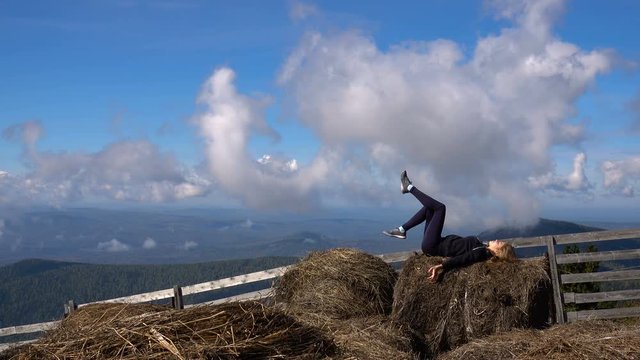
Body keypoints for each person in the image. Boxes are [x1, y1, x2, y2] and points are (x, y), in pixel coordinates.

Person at [383, 170, 517, 281]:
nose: (498, 240)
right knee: (430, 208)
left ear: (498, 252)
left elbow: (464, 259)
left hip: (433, 245)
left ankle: (409, 188)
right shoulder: (482, 248)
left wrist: (442, 266)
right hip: (436, 242)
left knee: (440, 208)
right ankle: (401, 229)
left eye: (500, 244)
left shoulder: (482, 252)